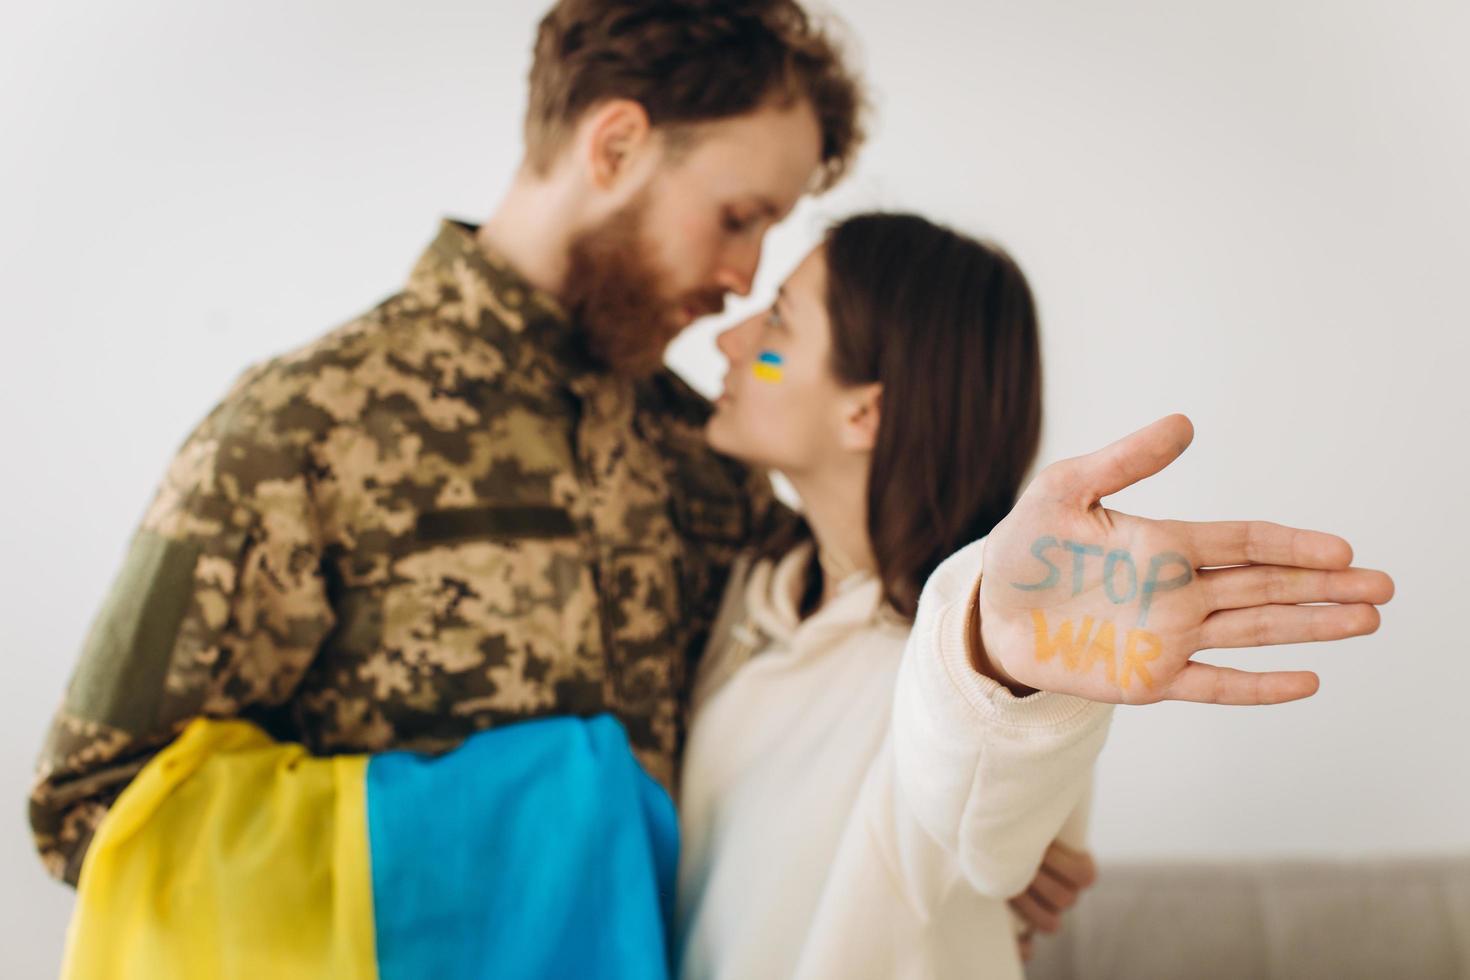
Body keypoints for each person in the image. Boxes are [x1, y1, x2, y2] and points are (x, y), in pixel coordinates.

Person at [30, 0, 863, 886]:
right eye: (738, 218)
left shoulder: (704, 450)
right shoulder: (305, 430)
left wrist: (962, 805)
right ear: (615, 147)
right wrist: (452, 855)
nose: (745, 280)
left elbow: (839, 674)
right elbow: (93, 805)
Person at [674, 212, 1394, 978]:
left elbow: (984, 812)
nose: (732, 340)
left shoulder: (961, 662)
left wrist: (997, 660)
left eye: (779, 320)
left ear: (866, 411)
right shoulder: (759, 596)